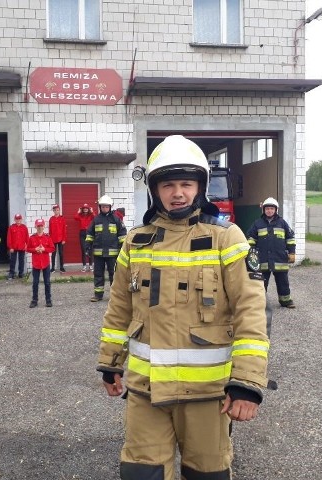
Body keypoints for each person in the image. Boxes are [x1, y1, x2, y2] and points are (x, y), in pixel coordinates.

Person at [96, 135, 270, 480]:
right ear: (155, 190)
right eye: (169, 185)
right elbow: (119, 307)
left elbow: (251, 310)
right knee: (139, 474)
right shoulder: (136, 241)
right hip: (146, 391)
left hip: (208, 394)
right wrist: (109, 362)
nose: (178, 193)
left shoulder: (227, 237)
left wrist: (247, 382)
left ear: (200, 187)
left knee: (207, 475)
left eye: (187, 184)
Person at [246, 197, 297, 308]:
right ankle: (260, 303)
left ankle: (286, 301)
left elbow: (290, 238)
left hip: (280, 259)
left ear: (276, 210)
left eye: (272, 209)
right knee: (261, 283)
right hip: (263, 259)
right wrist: (251, 255)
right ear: (264, 210)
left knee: (283, 281)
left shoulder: (282, 223)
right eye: (267, 208)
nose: (269, 211)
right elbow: (251, 240)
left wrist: (292, 253)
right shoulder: (257, 224)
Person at [85, 195, 127, 302]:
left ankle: (114, 295)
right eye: (103, 207)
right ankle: (98, 295)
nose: (104, 209)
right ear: (100, 207)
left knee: (114, 275)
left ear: (110, 207)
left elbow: (122, 234)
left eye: (106, 207)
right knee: (98, 274)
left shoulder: (116, 219)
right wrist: (88, 245)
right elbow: (90, 233)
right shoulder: (96, 219)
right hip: (98, 253)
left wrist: (122, 248)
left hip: (113, 254)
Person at [26, 219, 55, 308]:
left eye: (41, 226)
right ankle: (34, 300)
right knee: (35, 283)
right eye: (38, 226)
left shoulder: (47, 237)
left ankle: (48, 300)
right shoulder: (32, 238)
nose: (40, 228)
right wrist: (35, 249)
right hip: (36, 264)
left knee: (47, 283)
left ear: (44, 226)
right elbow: (28, 249)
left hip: (45, 263)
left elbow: (52, 248)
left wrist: (44, 249)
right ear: (35, 226)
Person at [6, 213, 29, 279]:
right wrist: (10, 247)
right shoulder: (11, 227)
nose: (18, 220)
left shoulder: (24, 227)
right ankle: (11, 273)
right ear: (14, 220)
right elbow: (9, 238)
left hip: (22, 247)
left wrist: (27, 245)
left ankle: (21, 273)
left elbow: (27, 237)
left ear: (21, 219)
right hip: (13, 247)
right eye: (17, 219)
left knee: (21, 260)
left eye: (19, 219)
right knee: (13, 260)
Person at [74, 203, 95, 272]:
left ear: (88, 209)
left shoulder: (90, 215)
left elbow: (95, 217)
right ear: (82, 209)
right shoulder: (80, 215)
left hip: (89, 233)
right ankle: (84, 266)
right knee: (83, 250)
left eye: (86, 208)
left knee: (90, 250)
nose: (85, 209)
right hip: (82, 233)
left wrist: (92, 211)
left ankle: (91, 266)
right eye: (84, 208)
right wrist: (78, 211)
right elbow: (75, 217)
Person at [48, 204, 67, 273]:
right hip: (53, 239)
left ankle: (61, 267)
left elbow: (64, 229)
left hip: (60, 239)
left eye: (57, 210)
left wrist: (64, 239)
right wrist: (49, 239)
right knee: (53, 254)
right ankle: (52, 267)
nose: (56, 211)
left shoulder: (62, 218)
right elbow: (50, 230)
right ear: (53, 211)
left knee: (61, 253)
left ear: (59, 211)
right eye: (55, 210)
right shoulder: (51, 219)